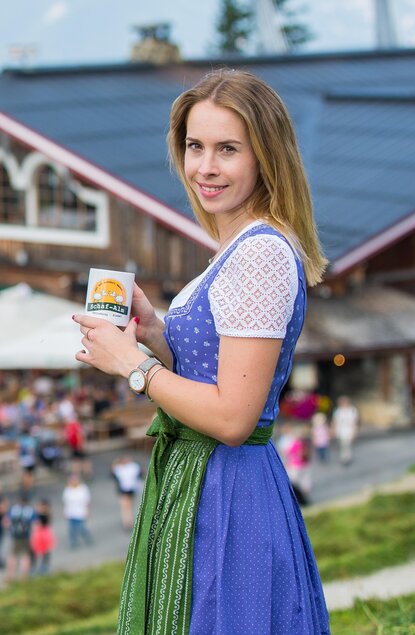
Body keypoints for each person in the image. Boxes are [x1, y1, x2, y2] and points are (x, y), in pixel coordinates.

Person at [74, 69, 330, 632]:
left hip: (226, 489)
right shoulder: (239, 244)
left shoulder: (260, 254)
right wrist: (156, 334)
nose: (205, 167)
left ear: (265, 156)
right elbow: (218, 372)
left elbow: (234, 418)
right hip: (207, 480)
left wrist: (134, 366)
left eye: (227, 149)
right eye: (195, 147)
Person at [2, 494, 36, 582]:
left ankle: (10, 576)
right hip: (26, 536)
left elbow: (6, 523)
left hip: (15, 536)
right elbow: (35, 525)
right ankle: (24, 577)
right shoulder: (30, 511)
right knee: (26, 556)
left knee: (12, 555)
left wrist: (11, 529)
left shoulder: (13, 510)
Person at [62, 472, 95, 548]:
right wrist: (65, 512)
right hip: (71, 512)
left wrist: (87, 511)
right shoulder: (67, 490)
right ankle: (73, 542)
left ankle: (87, 537)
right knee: (72, 529)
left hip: (80, 512)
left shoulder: (83, 489)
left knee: (81, 528)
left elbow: (87, 501)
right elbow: (65, 502)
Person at [110, 456, 142, 532]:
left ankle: (127, 522)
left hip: (124, 490)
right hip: (131, 489)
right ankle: (129, 521)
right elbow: (140, 474)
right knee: (129, 507)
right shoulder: (134, 467)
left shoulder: (120, 468)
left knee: (125, 508)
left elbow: (112, 474)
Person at [332, 396, 359, 465]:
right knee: (343, 445)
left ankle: (347, 457)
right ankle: (344, 458)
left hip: (349, 430)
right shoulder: (338, 411)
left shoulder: (352, 410)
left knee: (347, 444)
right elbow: (335, 421)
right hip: (341, 430)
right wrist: (334, 430)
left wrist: (354, 431)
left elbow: (354, 422)